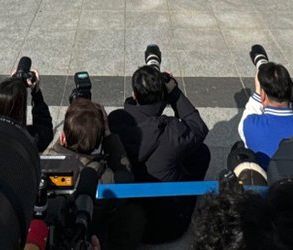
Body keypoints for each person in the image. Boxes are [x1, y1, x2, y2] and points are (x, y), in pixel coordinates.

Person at [108, 61, 211, 243]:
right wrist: (174, 94)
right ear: (162, 95)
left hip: (128, 223)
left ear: (134, 94)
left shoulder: (115, 121)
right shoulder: (171, 131)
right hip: (168, 227)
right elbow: (199, 127)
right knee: (201, 152)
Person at [51, 98, 145, 250]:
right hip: (91, 234)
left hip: (52, 231)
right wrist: (109, 135)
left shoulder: (44, 163)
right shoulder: (105, 178)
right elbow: (127, 179)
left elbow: (56, 150)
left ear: (62, 137)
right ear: (100, 143)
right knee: (135, 214)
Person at [237, 61, 293, 168]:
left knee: (237, 147)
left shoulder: (249, 125)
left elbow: (253, 106)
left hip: (266, 182)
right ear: (290, 92)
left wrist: (259, 91)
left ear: (262, 96)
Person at [0, 69, 53, 152]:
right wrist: (36, 92)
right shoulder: (28, 138)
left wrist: (10, 85)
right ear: (20, 111)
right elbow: (45, 129)